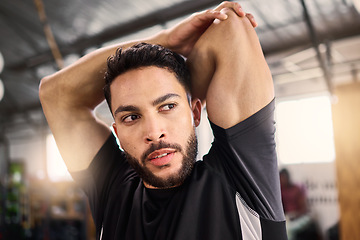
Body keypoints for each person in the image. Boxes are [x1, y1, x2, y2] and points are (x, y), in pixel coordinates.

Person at [39, 2, 287, 239]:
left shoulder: (242, 181)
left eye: (168, 106)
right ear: (117, 133)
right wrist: (164, 41)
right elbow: (55, 95)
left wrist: (170, 56)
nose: (154, 132)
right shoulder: (113, 190)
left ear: (196, 113)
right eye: (132, 117)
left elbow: (231, 27)